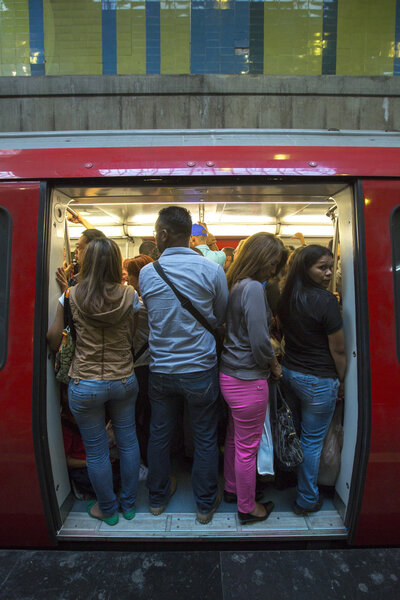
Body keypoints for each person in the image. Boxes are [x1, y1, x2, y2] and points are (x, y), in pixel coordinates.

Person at [139, 206, 228, 524]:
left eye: (154, 231)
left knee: (159, 435)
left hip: (161, 369)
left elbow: (150, 315)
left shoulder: (147, 273)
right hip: (200, 369)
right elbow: (219, 316)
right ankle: (204, 505)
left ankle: (157, 500)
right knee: (204, 436)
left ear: (163, 234)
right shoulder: (212, 271)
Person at [47, 238, 141, 526]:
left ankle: (107, 509)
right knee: (128, 442)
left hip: (85, 383)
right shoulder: (130, 295)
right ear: (115, 263)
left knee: (97, 449)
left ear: (86, 263)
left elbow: (52, 340)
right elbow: (134, 334)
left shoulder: (71, 295)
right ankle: (128, 504)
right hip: (123, 378)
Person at [219, 232, 287, 524]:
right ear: (260, 258)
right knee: (248, 448)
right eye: (272, 262)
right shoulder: (255, 289)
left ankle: (232, 489)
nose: (273, 269)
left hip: (229, 374)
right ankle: (248, 508)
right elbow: (260, 341)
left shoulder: (235, 284)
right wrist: (273, 365)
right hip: (249, 379)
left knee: (234, 439)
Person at [277, 244, 346, 515]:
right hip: (318, 380)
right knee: (312, 441)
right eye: (322, 267)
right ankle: (307, 498)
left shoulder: (286, 296)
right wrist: (342, 381)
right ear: (305, 269)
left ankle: (285, 479)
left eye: (330, 266)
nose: (329, 272)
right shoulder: (326, 301)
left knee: (291, 432)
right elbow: (338, 349)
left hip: (291, 374)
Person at [127, 254, 154, 465]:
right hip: (153, 365)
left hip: (138, 367)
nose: (128, 282)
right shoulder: (154, 304)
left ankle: (144, 461)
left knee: (136, 418)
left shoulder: (138, 306)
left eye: (131, 277)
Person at [56, 228, 106, 293]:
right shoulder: (111, 281)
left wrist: (65, 292)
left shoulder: (77, 282)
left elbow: (69, 303)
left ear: (91, 250)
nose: (75, 251)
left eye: (78, 247)